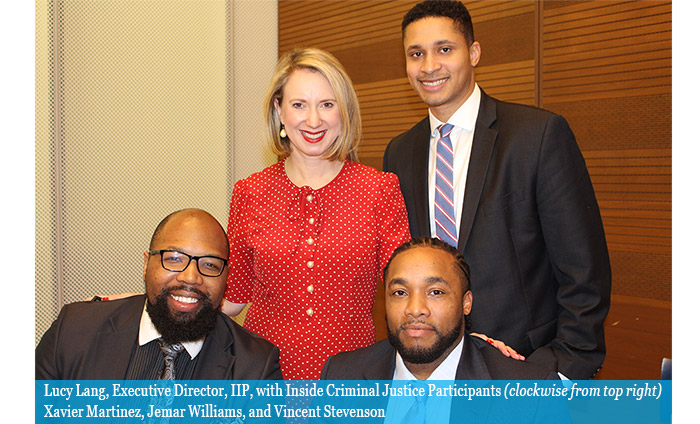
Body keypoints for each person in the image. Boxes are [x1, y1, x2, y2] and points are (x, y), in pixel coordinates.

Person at [382, 0, 611, 380]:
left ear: (473, 53)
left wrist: (563, 369)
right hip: (433, 370)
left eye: (444, 49)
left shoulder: (537, 136)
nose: (429, 66)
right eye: (416, 53)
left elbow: (584, 270)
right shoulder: (399, 152)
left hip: (527, 367)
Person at [221, 48, 411, 380]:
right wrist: (151, 306)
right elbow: (232, 298)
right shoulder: (249, 192)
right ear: (279, 111)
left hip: (351, 376)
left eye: (327, 104)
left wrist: (465, 336)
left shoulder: (379, 189)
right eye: (299, 105)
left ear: (344, 111)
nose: (313, 120)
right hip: (264, 374)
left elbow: (409, 290)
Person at [35, 208, 282, 380]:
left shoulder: (255, 367)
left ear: (226, 277)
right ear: (146, 264)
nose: (191, 277)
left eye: (209, 264)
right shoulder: (74, 331)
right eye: (174, 259)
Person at [320, 237, 557, 381]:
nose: (415, 309)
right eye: (400, 293)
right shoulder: (342, 376)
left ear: (467, 303)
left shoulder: (530, 391)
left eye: (435, 292)